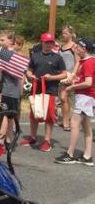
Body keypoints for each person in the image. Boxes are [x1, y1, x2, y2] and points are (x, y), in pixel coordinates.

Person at [21, 32, 67, 152]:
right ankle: (33, 137)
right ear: (42, 42)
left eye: (51, 42)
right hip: (36, 88)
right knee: (34, 114)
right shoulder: (35, 55)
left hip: (50, 90)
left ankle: (47, 141)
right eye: (46, 42)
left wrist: (51, 77)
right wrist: (31, 76)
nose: (49, 44)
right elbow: (29, 70)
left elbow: (64, 74)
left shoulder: (57, 57)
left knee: (49, 116)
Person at [55, 38, 95, 166]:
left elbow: (88, 82)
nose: (76, 48)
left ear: (84, 48)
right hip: (86, 97)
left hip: (85, 97)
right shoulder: (86, 61)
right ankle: (87, 156)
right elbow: (77, 74)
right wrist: (72, 81)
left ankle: (70, 154)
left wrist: (72, 87)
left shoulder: (89, 62)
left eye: (78, 47)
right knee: (87, 127)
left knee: (74, 123)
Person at [0, 30, 27, 147]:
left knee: (5, 115)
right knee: (8, 116)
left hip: (10, 90)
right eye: (0, 40)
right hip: (5, 89)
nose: (0, 42)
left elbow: (20, 73)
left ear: (11, 41)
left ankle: (2, 140)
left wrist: (21, 90)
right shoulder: (4, 53)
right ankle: (8, 139)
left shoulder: (11, 55)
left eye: (2, 40)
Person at [58, 25, 79, 131]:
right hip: (62, 76)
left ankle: (68, 122)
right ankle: (65, 120)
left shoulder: (74, 46)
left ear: (71, 34)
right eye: (63, 33)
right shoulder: (62, 46)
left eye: (66, 33)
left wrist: (73, 75)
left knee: (65, 98)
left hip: (71, 76)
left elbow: (77, 62)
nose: (63, 35)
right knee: (63, 99)